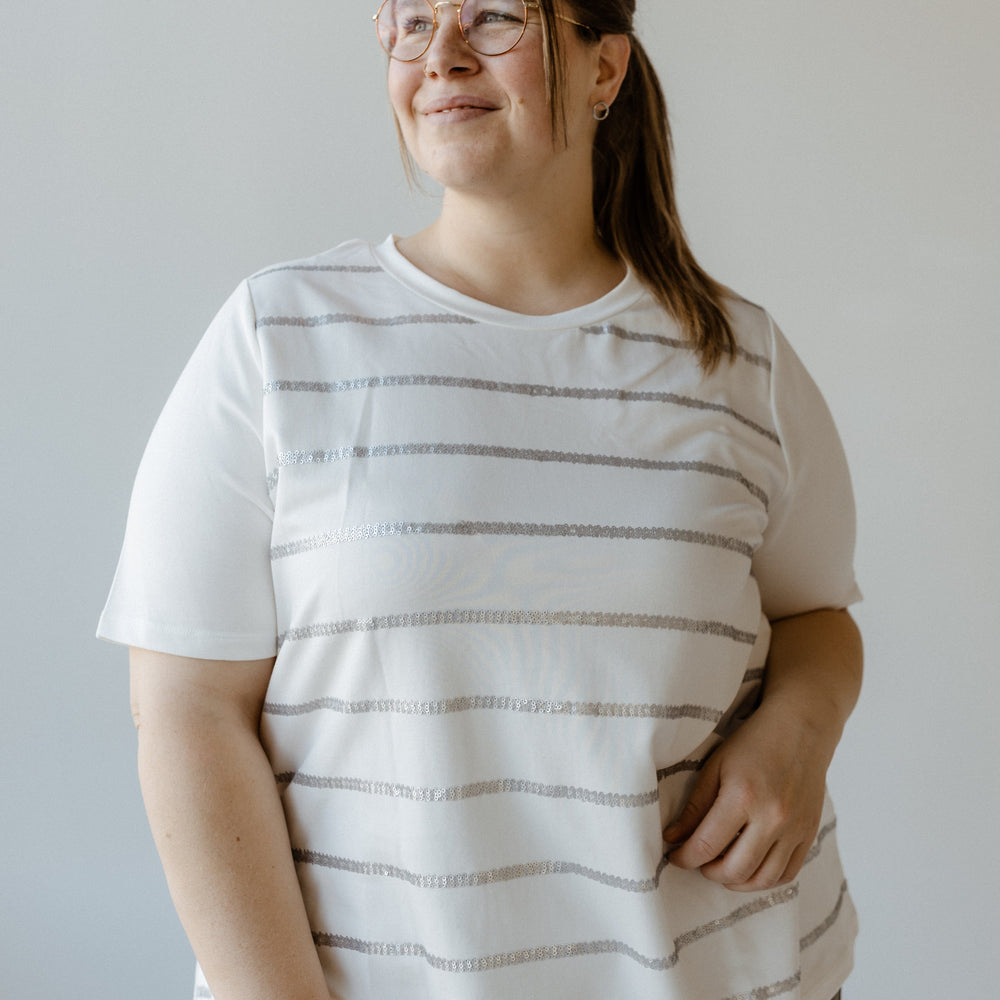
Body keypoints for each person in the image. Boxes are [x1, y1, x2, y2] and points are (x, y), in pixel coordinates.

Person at [98, 2, 862, 998]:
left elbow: (814, 617)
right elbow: (188, 714)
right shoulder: (277, 339)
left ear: (604, 69)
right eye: (411, 22)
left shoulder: (739, 359)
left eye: (492, 16)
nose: (441, 56)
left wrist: (800, 731)